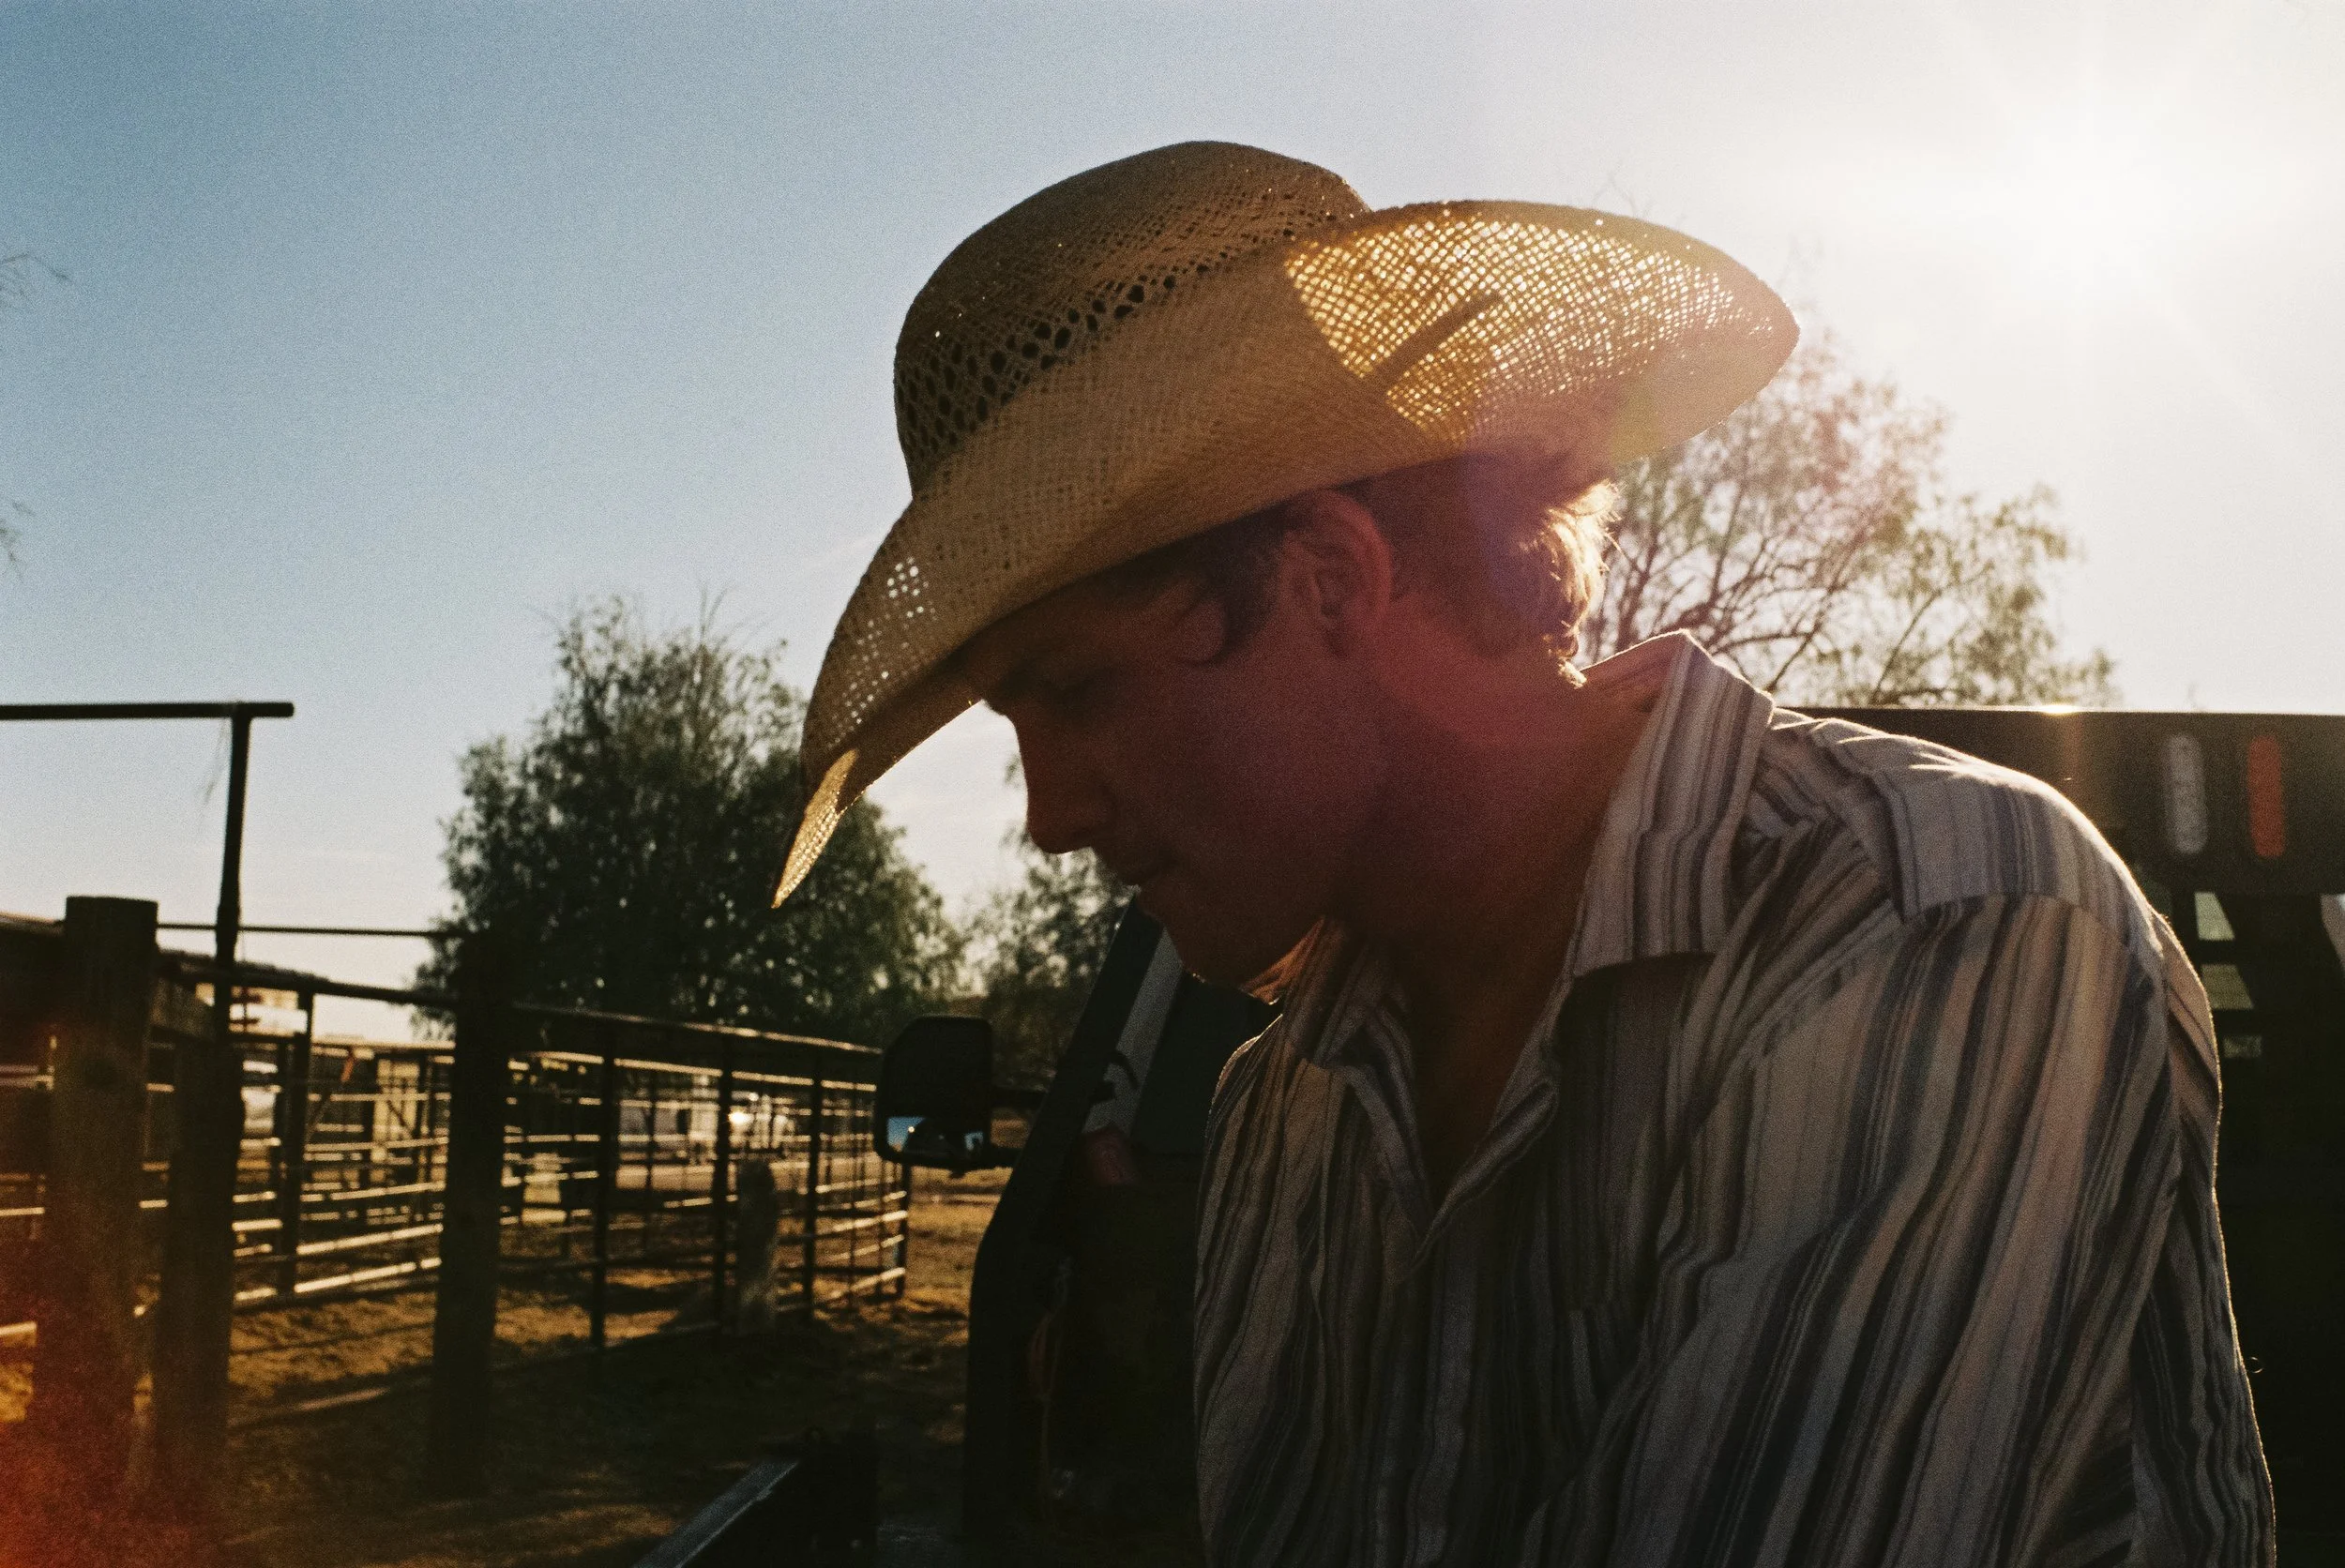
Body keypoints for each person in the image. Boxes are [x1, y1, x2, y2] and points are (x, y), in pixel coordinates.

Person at [777, 142, 2272, 1565]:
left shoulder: (1931, 925)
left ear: (1333, 580)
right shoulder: (1285, 1108)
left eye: (1083, 692)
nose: (1049, 814)